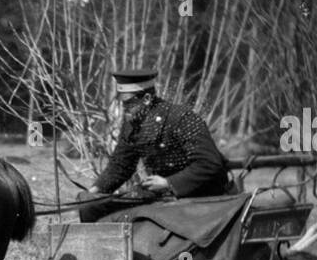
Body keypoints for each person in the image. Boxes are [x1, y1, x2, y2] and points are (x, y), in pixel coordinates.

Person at [79, 69, 234, 222]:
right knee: (91, 207)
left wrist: (169, 183)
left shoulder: (182, 118)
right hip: (162, 197)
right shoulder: (132, 123)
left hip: (202, 198)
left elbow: (209, 164)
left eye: (128, 105)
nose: (124, 110)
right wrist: (94, 191)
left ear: (146, 99)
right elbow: (120, 165)